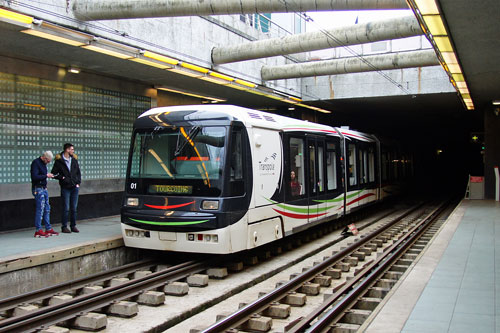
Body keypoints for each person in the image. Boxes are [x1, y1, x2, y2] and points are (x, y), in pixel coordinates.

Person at [52, 143, 81, 233]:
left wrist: (78, 183)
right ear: (67, 150)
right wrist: (62, 178)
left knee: (74, 208)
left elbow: (78, 172)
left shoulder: (74, 160)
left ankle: (73, 225)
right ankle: (64, 226)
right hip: (65, 187)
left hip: (74, 187)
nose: (73, 151)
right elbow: (54, 173)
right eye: (72, 149)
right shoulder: (59, 161)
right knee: (66, 208)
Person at [31, 151, 59, 237]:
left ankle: (48, 228)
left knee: (47, 208)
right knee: (40, 209)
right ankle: (38, 229)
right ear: (44, 157)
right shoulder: (36, 163)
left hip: (44, 188)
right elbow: (34, 176)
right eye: (48, 161)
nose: (48, 163)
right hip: (38, 188)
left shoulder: (43, 164)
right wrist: (46, 175)